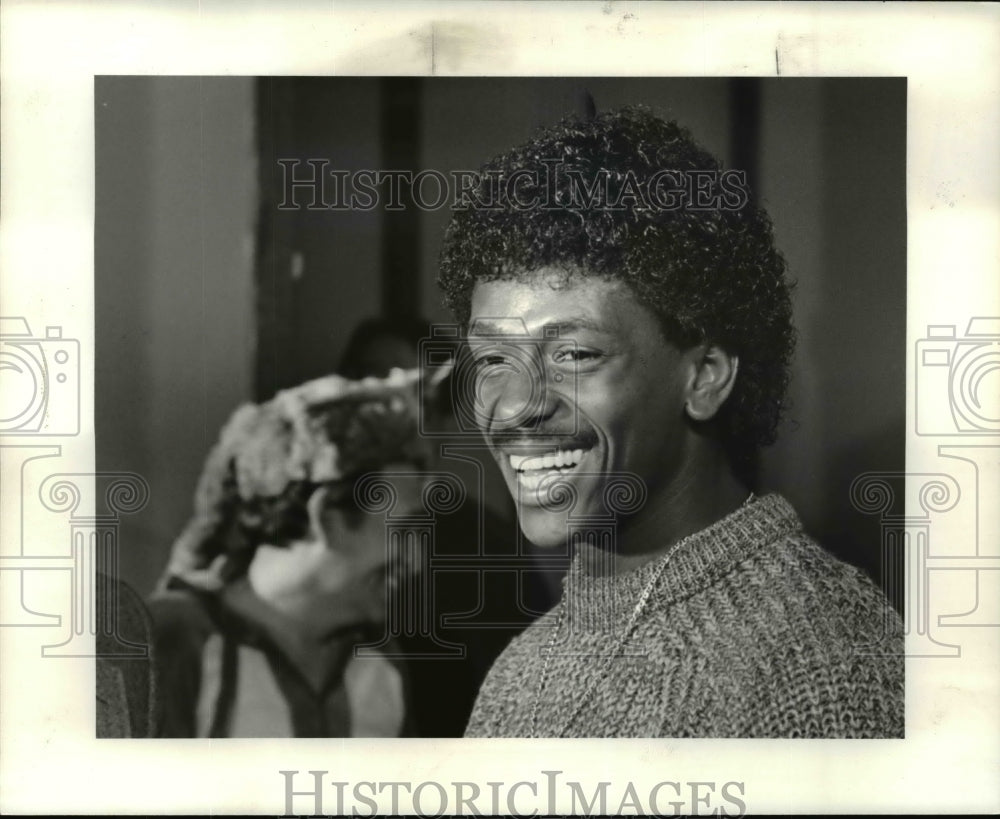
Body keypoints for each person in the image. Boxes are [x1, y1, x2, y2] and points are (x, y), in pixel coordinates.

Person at [436, 106, 904, 738]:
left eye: (574, 354)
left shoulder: (827, 667)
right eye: (493, 358)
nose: (516, 405)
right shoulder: (524, 666)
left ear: (705, 375)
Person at [149, 369, 428, 737]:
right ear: (328, 516)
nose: (417, 561)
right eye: (405, 530)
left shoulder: (380, 664)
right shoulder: (170, 643)